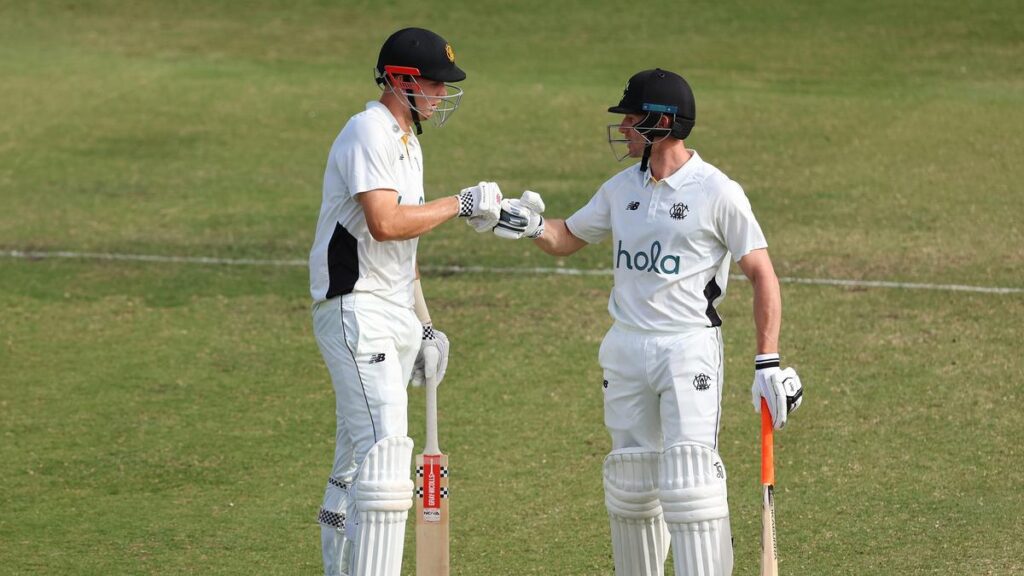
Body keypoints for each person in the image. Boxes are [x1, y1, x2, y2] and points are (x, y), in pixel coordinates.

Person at [494, 68, 804, 576]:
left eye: (632, 118)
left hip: (688, 350)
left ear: (662, 122)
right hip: (626, 348)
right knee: (633, 486)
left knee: (691, 485)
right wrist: (523, 222)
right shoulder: (621, 189)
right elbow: (566, 237)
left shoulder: (717, 191)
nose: (624, 128)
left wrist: (766, 360)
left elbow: (762, 273)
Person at [307, 27, 502, 576]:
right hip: (355, 308)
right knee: (386, 457)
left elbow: (405, 253)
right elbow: (386, 223)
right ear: (399, 80)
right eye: (434, 85)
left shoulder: (407, 143)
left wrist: (425, 326)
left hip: (389, 310)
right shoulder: (367, 131)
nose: (441, 95)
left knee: (354, 462)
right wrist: (460, 204)